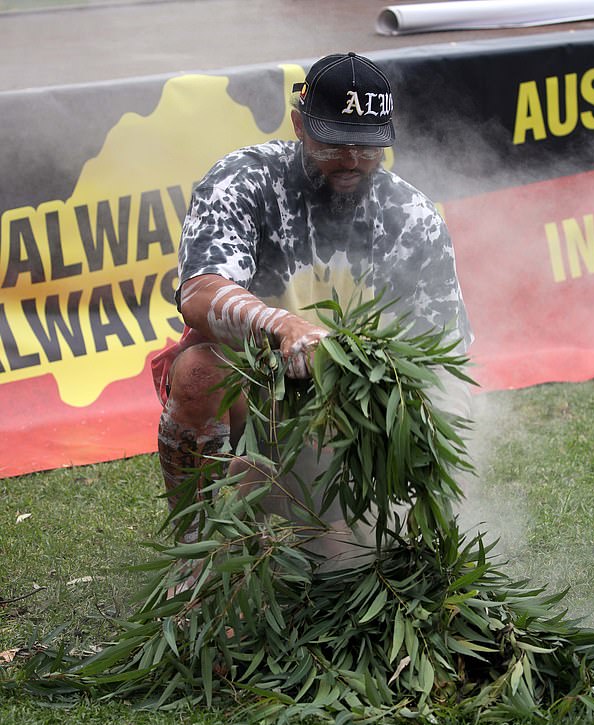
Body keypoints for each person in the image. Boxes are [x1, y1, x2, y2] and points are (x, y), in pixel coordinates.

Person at [152, 52, 473, 551]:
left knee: (341, 556)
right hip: (253, 393)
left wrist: (432, 466)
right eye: (335, 143)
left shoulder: (412, 217)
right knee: (199, 369)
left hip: (347, 415)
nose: (351, 161)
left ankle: (313, 516)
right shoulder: (244, 181)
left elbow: (446, 356)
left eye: (368, 147)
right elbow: (199, 293)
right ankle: (195, 550)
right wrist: (282, 326)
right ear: (300, 124)